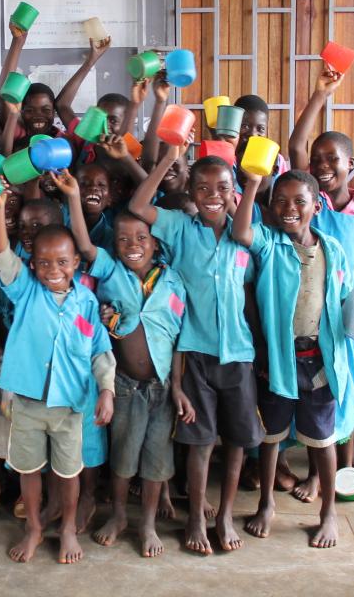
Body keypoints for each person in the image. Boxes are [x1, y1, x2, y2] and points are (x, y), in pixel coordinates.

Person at [233, 169, 354, 549]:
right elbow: (241, 233)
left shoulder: (333, 250)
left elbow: (345, 302)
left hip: (320, 360)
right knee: (270, 437)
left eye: (299, 202)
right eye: (281, 202)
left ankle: (328, 513)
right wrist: (254, 183)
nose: (289, 209)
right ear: (270, 209)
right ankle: (267, 503)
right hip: (279, 359)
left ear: (316, 206)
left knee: (323, 440)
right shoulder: (270, 244)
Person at [130, 146, 260, 555]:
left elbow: (253, 299)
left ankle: (223, 516)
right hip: (196, 356)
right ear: (190, 189)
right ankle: (195, 519)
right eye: (202, 187)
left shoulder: (246, 237)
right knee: (200, 442)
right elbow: (137, 205)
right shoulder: (182, 228)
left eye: (222, 187)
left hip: (238, 356)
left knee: (237, 441)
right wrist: (169, 160)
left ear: (235, 192)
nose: (212, 195)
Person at [58, 171, 184, 558]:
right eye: (124, 240)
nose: (132, 245)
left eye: (141, 239)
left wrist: (178, 386)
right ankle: (118, 516)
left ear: (155, 242)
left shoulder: (173, 282)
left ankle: (146, 524)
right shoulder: (111, 270)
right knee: (124, 456)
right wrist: (75, 197)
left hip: (161, 387)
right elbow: (83, 242)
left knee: (156, 459)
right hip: (125, 384)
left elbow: (180, 341)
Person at [0, 190, 115, 565]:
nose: (52, 270)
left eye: (62, 262)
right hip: (27, 402)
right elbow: (1, 254)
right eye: (43, 263)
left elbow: (99, 351)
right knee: (28, 471)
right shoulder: (26, 291)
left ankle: (67, 529)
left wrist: (106, 391)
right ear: (32, 265)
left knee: (68, 473)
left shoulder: (87, 304)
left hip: (70, 404)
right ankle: (33, 528)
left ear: (77, 262)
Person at [286, 69, 354, 497]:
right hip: (313, 319)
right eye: (318, 160)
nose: (324, 166)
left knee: (346, 396)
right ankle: (315, 472)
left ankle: (342, 476)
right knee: (317, 398)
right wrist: (320, 94)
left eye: (334, 160)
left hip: (350, 323)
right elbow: (295, 146)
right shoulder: (314, 204)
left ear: (352, 164)